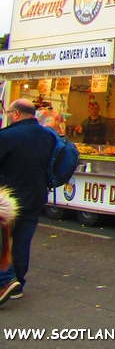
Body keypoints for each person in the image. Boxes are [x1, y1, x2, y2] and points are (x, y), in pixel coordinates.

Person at [0, 99, 58, 304]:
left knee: (3, 240)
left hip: (9, 199)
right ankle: (18, 285)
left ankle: (5, 281)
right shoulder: (47, 135)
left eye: (8, 113)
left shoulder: (7, 136)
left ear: (16, 114)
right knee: (22, 242)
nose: (7, 116)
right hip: (36, 197)